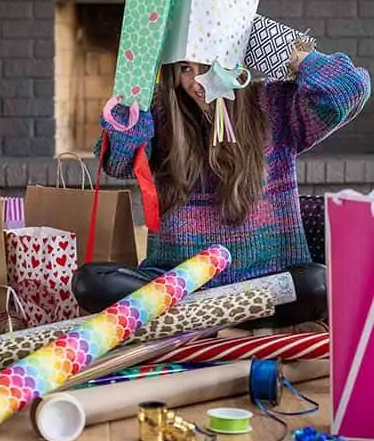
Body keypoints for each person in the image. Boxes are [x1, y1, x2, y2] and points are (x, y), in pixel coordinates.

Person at [73, 44, 371, 326]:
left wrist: (275, 45)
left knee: (317, 284)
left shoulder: (273, 105)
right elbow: (116, 163)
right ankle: (223, 322)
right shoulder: (165, 114)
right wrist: (129, 110)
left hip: (263, 282)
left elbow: (349, 89)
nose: (195, 82)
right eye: (185, 69)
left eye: (205, 65)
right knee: (91, 282)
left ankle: (191, 323)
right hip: (176, 285)